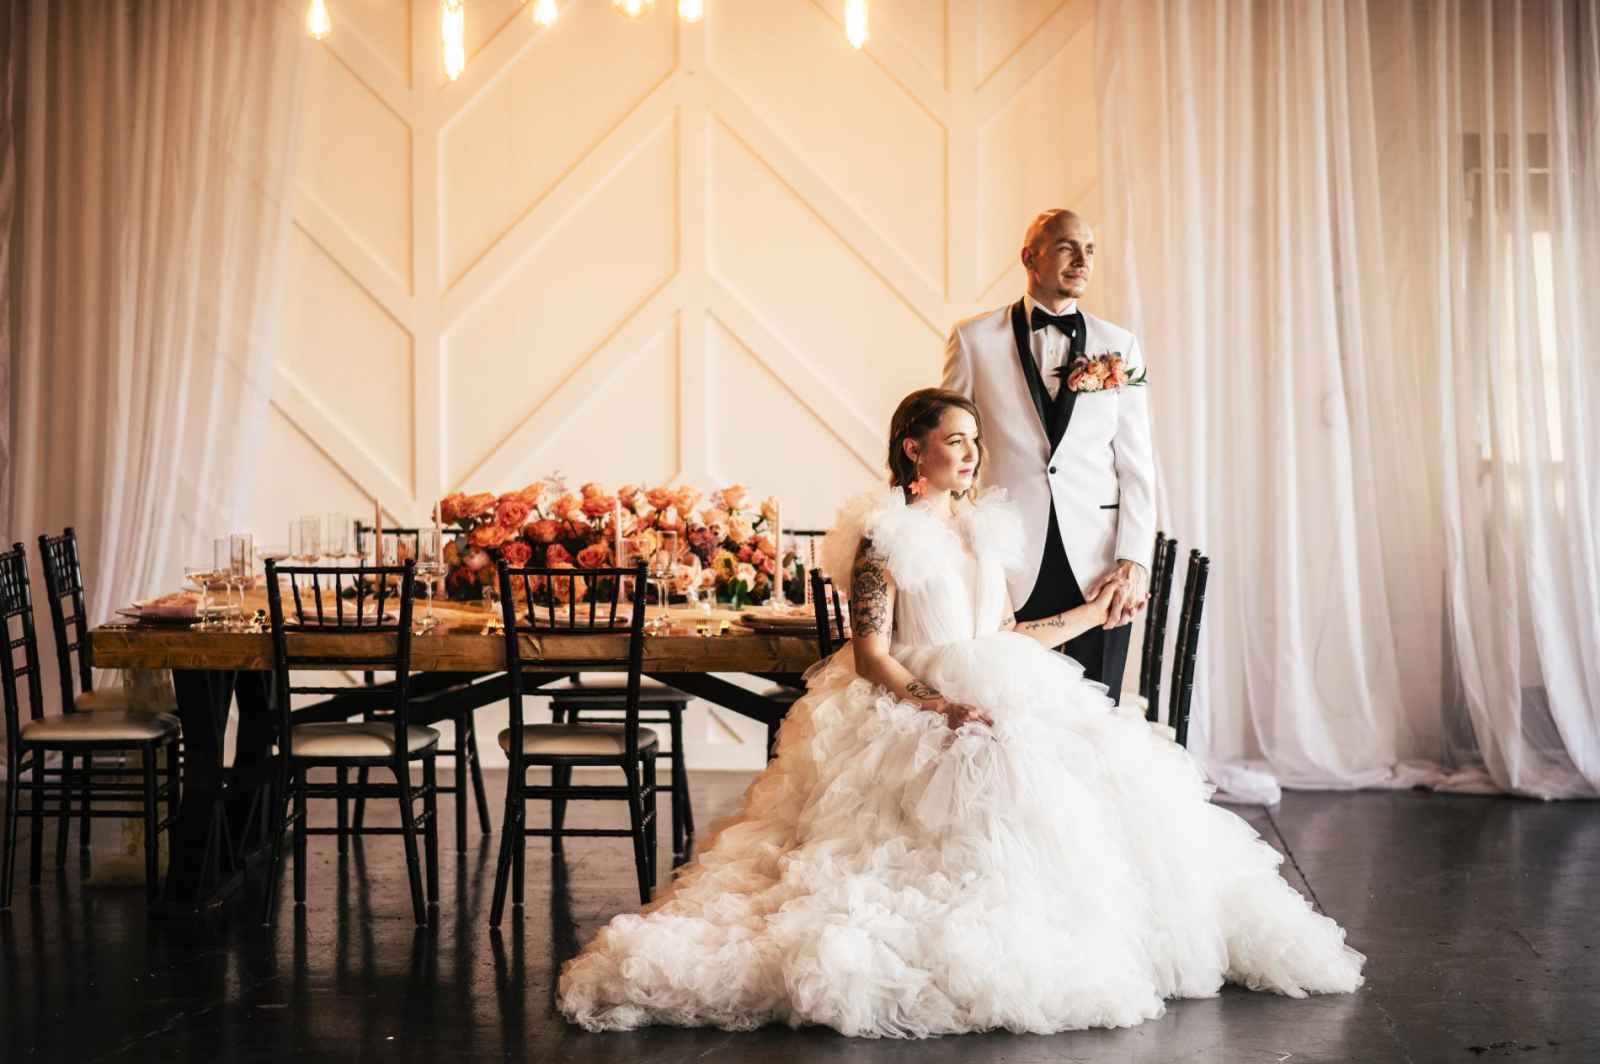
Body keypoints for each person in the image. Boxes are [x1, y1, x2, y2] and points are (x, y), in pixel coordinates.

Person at [556, 390, 1364, 1037]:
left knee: (1096, 779)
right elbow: (871, 651)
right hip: (909, 697)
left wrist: (1093, 613)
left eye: (975, 440)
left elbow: (1003, 634)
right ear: (915, 449)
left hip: (998, 679)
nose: (972, 453)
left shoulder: (982, 528)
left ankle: (1099, 935)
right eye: (956, 440)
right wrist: (935, 704)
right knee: (980, 779)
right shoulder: (884, 537)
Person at [943, 208, 1153, 699]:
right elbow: (950, 445)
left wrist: (1134, 561)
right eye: (1065, 247)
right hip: (1008, 558)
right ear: (1029, 258)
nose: (1082, 260)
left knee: (1098, 710)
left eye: (1089, 249)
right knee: (1011, 707)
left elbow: (1137, 466)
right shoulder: (974, 340)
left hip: (1099, 568)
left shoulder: (1119, 346)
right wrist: (952, 541)